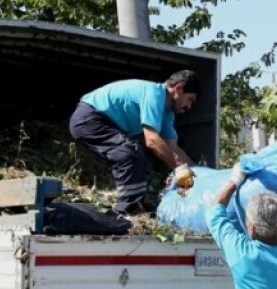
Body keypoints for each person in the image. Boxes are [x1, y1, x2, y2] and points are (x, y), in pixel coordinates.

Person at [68, 71, 201, 215]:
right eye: (190, 99)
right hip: (89, 118)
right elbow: (152, 140)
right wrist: (180, 167)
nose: (189, 107)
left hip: (105, 122)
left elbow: (173, 148)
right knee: (130, 152)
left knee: (133, 152)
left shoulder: (167, 114)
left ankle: (134, 206)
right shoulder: (154, 95)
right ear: (179, 89)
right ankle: (127, 212)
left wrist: (199, 174)